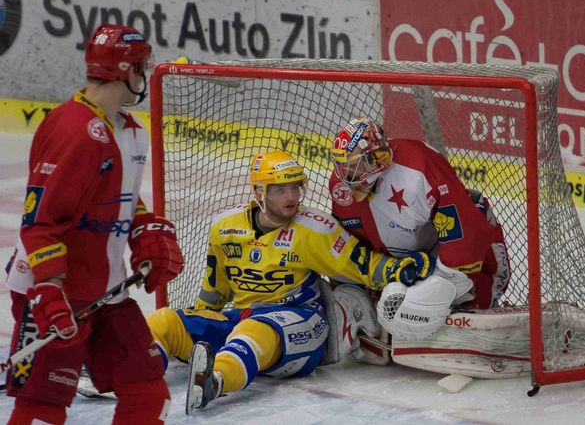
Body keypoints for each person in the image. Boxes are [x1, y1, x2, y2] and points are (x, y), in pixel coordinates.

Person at [145, 150, 432, 413]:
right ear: (259, 191)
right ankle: (136, 372)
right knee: (165, 321)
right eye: (280, 189)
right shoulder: (225, 226)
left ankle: (216, 380)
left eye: (296, 186)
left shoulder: (314, 229)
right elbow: (215, 288)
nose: (292, 196)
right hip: (243, 318)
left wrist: (401, 270)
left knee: (252, 330)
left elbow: (362, 264)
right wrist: (197, 323)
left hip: (302, 324)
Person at [3, 24, 184, 424]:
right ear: (126, 69)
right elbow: (39, 223)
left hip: (107, 294)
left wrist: (143, 232)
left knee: (147, 393)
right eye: (141, 66)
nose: (144, 73)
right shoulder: (75, 131)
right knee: (41, 409)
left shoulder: (129, 131)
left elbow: (120, 197)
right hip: (55, 294)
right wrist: (48, 289)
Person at [329, 117, 511, 344]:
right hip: (407, 262)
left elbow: (464, 230)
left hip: (451, 247)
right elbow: (352, 243)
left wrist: (440, 286)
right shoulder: (340, 186)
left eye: (355, 166)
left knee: (461, 299)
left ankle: (474, 311)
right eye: (343, 166)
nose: (346, 175)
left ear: (379, 158)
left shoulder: (420, 166)